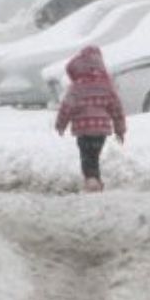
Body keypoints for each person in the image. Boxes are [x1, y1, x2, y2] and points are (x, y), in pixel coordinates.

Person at [53, 45, 126, 192]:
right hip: (101, 130)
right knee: (95, 156)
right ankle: (96, 181)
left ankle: (92, 181)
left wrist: (60, 125)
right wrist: (120, 130)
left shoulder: (77, 87)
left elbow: (67, 107)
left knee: (87, 157)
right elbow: (117, 109)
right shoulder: (107, 86)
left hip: (83, 130)